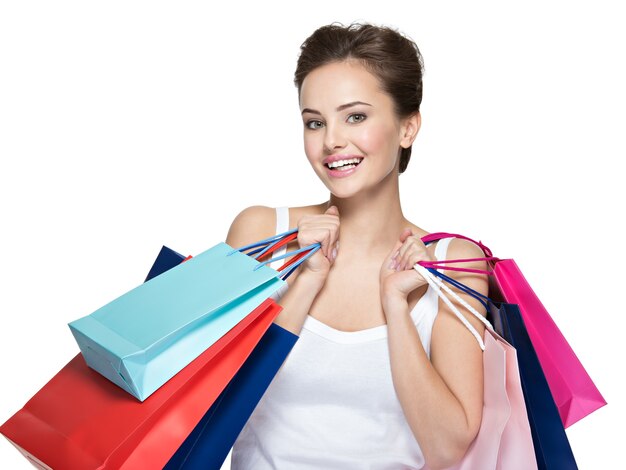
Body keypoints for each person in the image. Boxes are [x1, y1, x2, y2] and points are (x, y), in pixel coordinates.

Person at [226, 22, 489, 470]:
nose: (331, 141)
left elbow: (447, 448)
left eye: (356, 116)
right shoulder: (261, 232)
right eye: (315, 122)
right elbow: (215, 401)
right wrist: (304, 283)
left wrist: (396, 306)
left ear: (408, 128)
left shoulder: (453, 263)